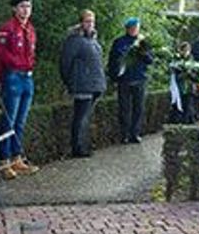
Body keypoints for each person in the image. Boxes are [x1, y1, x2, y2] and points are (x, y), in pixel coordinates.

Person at [0, 0, 40, 180]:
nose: (26, 10)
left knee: (20, 121)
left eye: (28, 6)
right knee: (8, 121)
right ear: (14, 9)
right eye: (22, 6)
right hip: (12, 77)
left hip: (27, 77)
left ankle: (17, 158)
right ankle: (3, 162)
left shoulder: (31, 29)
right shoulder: (7, 29)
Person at [60, 10, 107, 158]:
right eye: (87, 21)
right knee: (80, 117)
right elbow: (65, 63)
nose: (90, 24)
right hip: (82, 84)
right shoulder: (74, 40)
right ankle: (77, 147)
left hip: (94, 85)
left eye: (92, 21)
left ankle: (83, 145)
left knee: (86, 117)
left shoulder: (93, 40)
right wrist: (69, 81)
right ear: (80, 22)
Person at [107, 17, 153, 144]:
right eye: (132, 28)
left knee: (139, 108)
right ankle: (124, 134)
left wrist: (143, 53)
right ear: (127, 29)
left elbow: (150, 60)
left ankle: (135, 133)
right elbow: (112, 60)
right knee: (124, 108)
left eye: (136, 28)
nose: (134, 30)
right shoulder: (119, 42)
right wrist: (113, 76)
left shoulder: (143, 42)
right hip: (124, 79)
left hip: (140, 78)